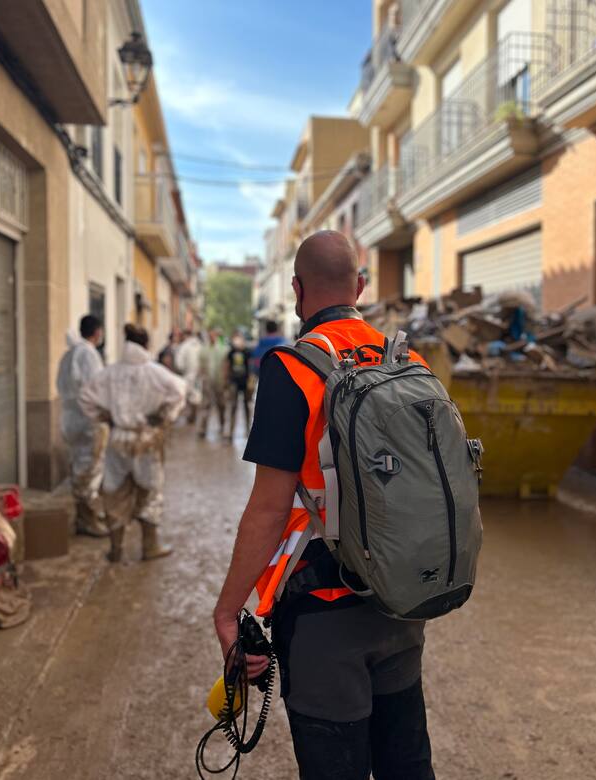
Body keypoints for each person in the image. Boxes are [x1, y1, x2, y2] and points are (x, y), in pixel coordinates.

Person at [214, 231, 434, 779]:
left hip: (323, 612)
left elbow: (268, 509)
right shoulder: (408, 359)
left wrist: (227, 610)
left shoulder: (292, 370)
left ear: (295, 289)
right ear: (359, 286)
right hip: (401, 599)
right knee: (407, 764)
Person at [79, 324, 186, 563]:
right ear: (146, 344)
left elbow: (85, 397)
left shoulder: (110, 372)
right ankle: (150, 546)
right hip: (146, 439)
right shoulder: (154, 372)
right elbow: (180, 391)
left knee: (115, 492)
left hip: (118, 438)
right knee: (150, 491)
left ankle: (116, 550)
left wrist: (104, 417)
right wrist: (163, 417)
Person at [56, 315, 108, 537]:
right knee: (89, 468)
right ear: (97, 332)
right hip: (87, 420)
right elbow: (95, 388)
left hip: (70, 418)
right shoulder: (88, 354)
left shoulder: (69, 354)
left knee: (79, 465)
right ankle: (87, 520)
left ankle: (84, 515)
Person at [198, 328, 228, 439]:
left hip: (220, 381)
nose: (212, 337)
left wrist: (225, 381)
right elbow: (201, 366)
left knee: (222, 405)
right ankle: (203, 429)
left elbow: (226, 365)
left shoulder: (223, 349)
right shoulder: (204, 350)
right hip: (207, 382)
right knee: (205, 405)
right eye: (210, 335)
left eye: (214, 335)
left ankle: (222, 425)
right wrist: (201, 378)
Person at [225, 331, 252, 441]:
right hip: (234, 382)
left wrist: (251, 381)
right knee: (233, 407)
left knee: (246, 406)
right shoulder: (230, 353)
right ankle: (231, 432)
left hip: (245, 383)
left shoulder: (247, 352)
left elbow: (250, 366)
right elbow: (227, 366)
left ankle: (248, 430)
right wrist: (226, 380)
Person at [175, 329, 203, 424]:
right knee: (196, 395)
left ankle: (190, 415)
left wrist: (181, 371)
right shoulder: (200, 345)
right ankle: (193, 415)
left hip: (188, 375)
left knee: (186, 395)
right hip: (199, 375)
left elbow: (179, 363)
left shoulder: (184, 346)